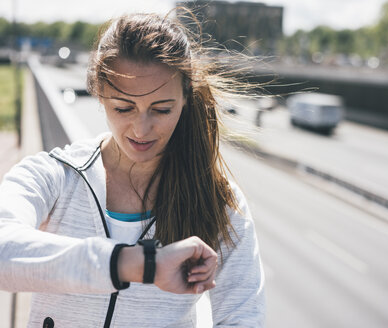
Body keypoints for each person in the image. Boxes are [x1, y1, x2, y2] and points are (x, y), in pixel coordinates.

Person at [0, 11, 265, 327]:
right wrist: (139, 265)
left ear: (186, 99)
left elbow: (244, 317)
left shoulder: (218, 200)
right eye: (123, 108)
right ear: (99, 94)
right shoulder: (55, 176)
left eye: (162, 109)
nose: (141, 129)